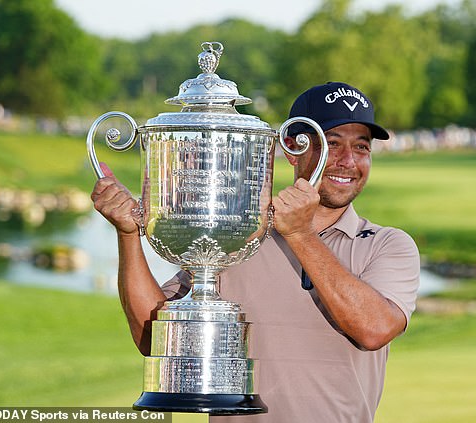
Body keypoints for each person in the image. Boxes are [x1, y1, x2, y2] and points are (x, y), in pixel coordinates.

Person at [91, 82, 420, 423]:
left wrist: (301, 234)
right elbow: (156, 340)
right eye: (332, 144)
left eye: (361, 147)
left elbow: (374, 329)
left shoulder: (387, 243)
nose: (348, 161)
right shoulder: (239, 235)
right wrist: (128, 234)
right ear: (293, 148)